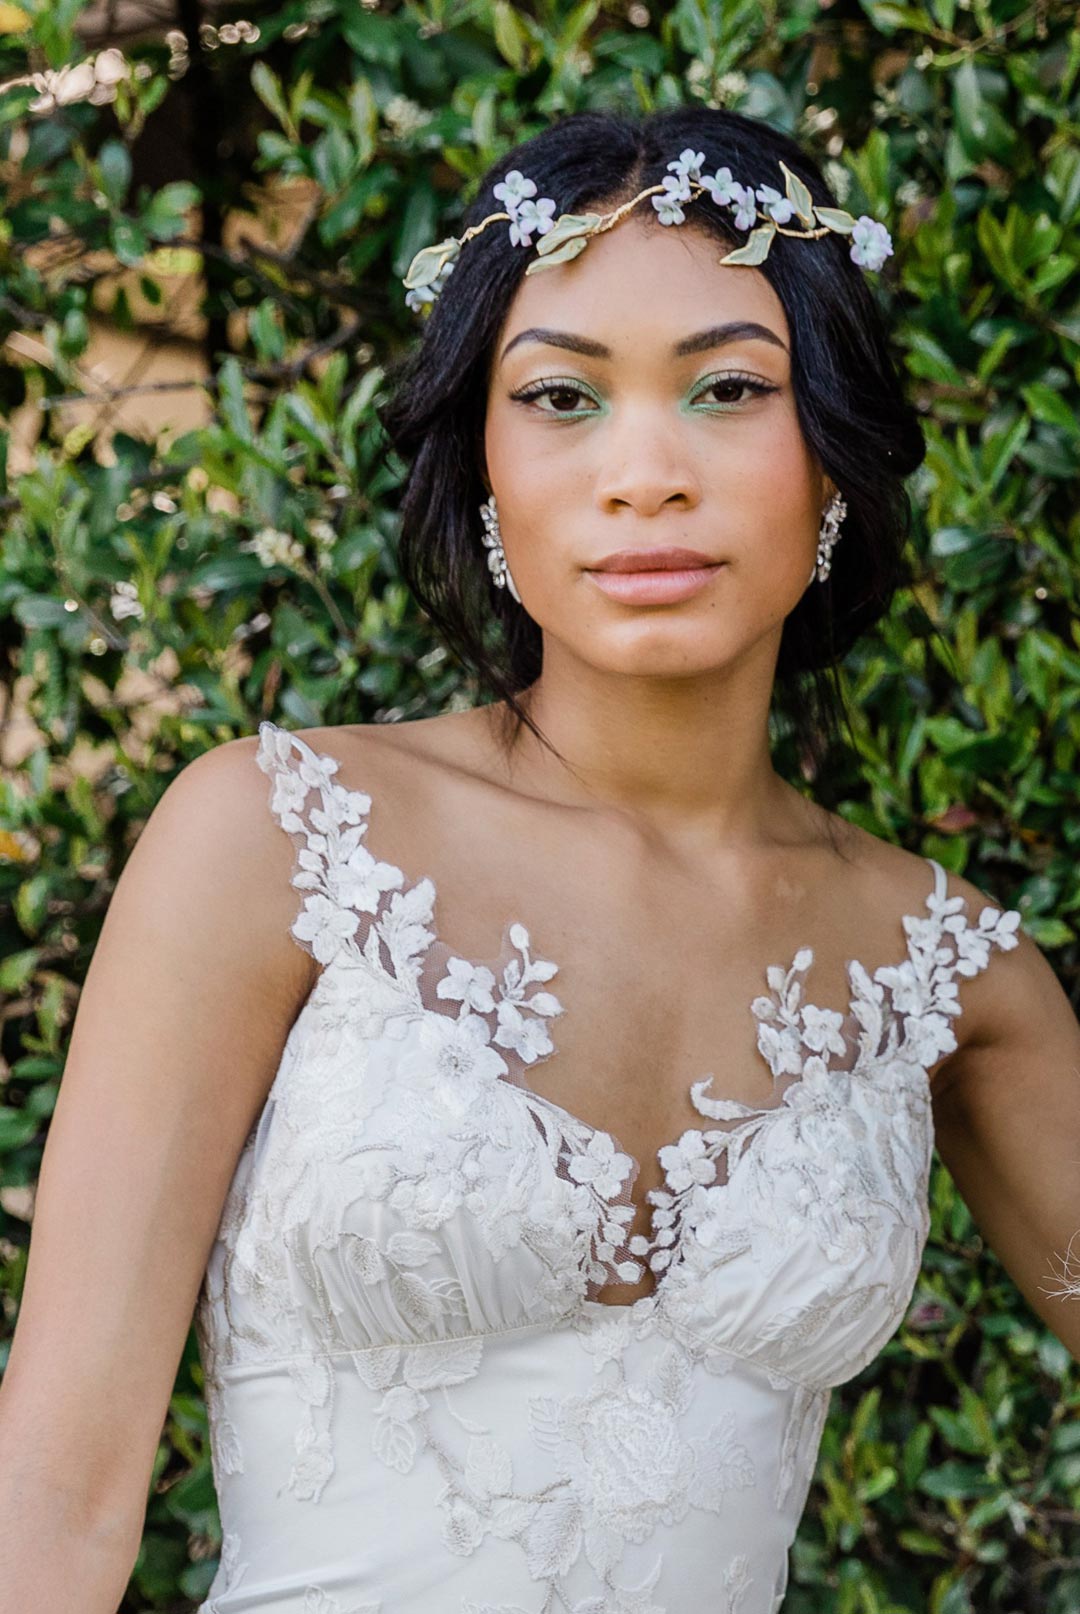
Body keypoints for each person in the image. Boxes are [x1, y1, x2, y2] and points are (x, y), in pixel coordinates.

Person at [2, 106, 1078, 1614]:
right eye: (564, 396)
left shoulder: (954, 973)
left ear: (832, 457)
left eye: (728, 387)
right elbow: (52, 1505)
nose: (645, 471)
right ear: (488, 462)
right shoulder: (274, 838)